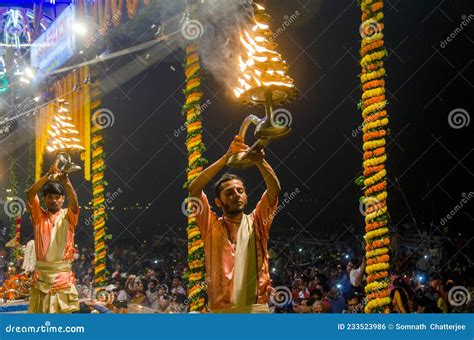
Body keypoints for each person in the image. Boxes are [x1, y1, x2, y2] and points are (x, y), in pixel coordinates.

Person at [188, 135, 280, 313]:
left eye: (240, 191)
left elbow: (274, 190)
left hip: (256, 309)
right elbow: (194, 189)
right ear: (217, 201)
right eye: (229, 192)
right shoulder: (210, 225)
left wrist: (260, 161)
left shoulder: (258, 221)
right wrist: (226, 158)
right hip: (221, 311)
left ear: (246, 196)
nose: (237, 195)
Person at [26, 165, 80, 313]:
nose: (54, 200)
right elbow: (30, 194)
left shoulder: (68, 216)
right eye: (50, 197)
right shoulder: (38, 216)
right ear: (44, 199)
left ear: (63, 199)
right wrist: (47, 176)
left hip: (62, 278)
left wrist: (66, 182)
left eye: (57, 197)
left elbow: (75, 203)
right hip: (41, 279)